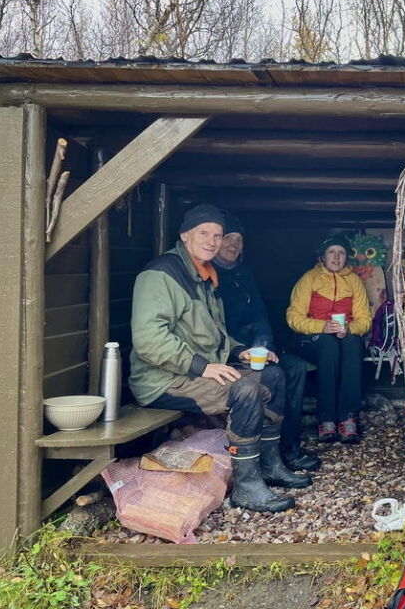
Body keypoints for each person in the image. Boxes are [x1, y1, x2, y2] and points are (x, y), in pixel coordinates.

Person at [129, 204, 309, 515]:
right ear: (185, 235)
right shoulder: (161, 274)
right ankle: (247, 486)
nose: (212, 240)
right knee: (245, 389)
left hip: (196, 373)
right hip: (164, 380)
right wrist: (203, 366)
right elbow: (149, 341)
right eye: (204, 233)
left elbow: (213, 334)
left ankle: (269, 464)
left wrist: (238, 350)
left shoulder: (204, 275)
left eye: (218, 234)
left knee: (273, 375)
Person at [213, 214, 321, 473]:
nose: (234, 244)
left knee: (294, 368)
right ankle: (266, 459)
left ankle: (289, 450)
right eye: (228, 238)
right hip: (230, 353)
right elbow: (214, 327)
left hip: (255, 349)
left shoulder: (244, 273)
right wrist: (243, 350)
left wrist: (266, 345)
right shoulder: (209, 276)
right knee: (274, 375)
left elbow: (260, 315)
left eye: (238, 239)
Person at [287, 235, 372, 444]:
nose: (336, 257)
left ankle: (347, 417)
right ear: (322, 257)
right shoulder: (310, 278)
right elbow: (293, 317)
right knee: (329, 344)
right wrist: (322, 326)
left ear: (346, 258)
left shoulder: (353, 281)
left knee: (353, 343)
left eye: (341, 253)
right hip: (311, 339)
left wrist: (349, 328)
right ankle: (326, 418)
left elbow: (365, 319)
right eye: (331, 252)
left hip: (343, 337)